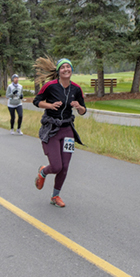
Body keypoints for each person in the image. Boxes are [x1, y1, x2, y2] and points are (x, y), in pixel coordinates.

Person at [32, 57, 86, 208]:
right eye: (63, 67)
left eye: (68, 67)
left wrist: (78, 107)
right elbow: (36, 101)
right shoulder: (50, 86)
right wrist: (49, 105)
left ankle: (55, 196)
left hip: (67, 130)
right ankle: (43, 171)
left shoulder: (76, 88)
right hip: (51, 129)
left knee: (65, 166)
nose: (66, 69)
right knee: (56, 167)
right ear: (58, 71)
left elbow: (83, 110)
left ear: (71, 70)